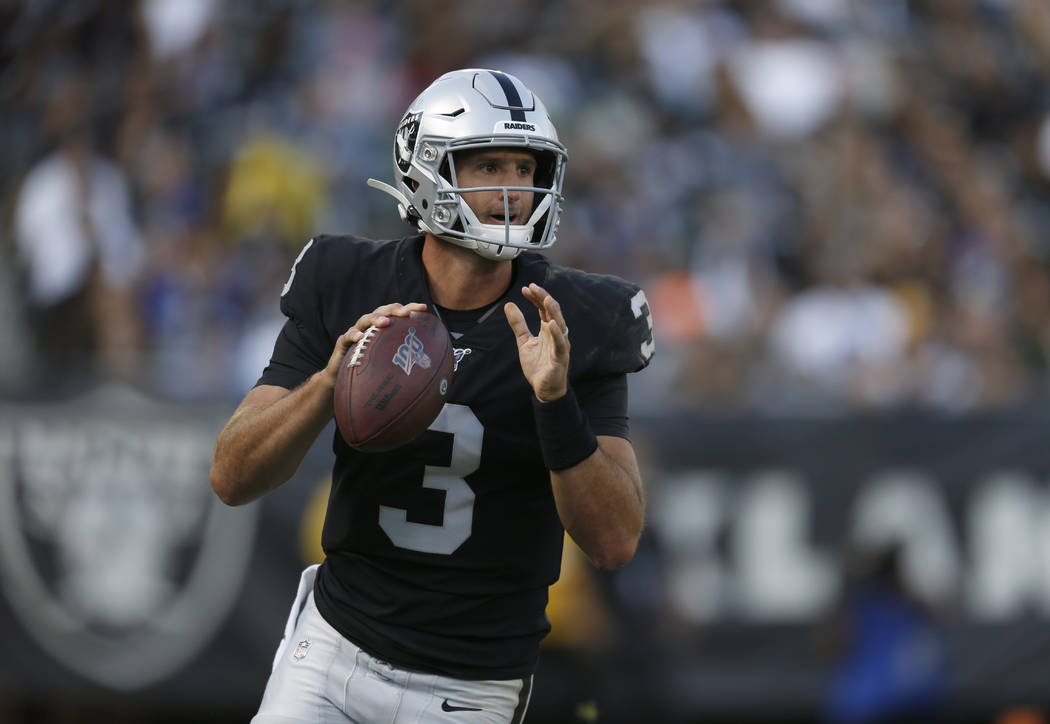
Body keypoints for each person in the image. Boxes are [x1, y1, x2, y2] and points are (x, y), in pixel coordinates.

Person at [210, 68, 655, 723]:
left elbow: (615, 539)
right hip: (333, 656)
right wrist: (326, 386)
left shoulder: (573, 317)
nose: (513, 188)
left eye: (526, 167)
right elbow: (231, 475)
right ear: (424, 170)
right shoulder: (347, 282)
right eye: (488, 166)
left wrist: (556, 405)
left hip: (471, 690)